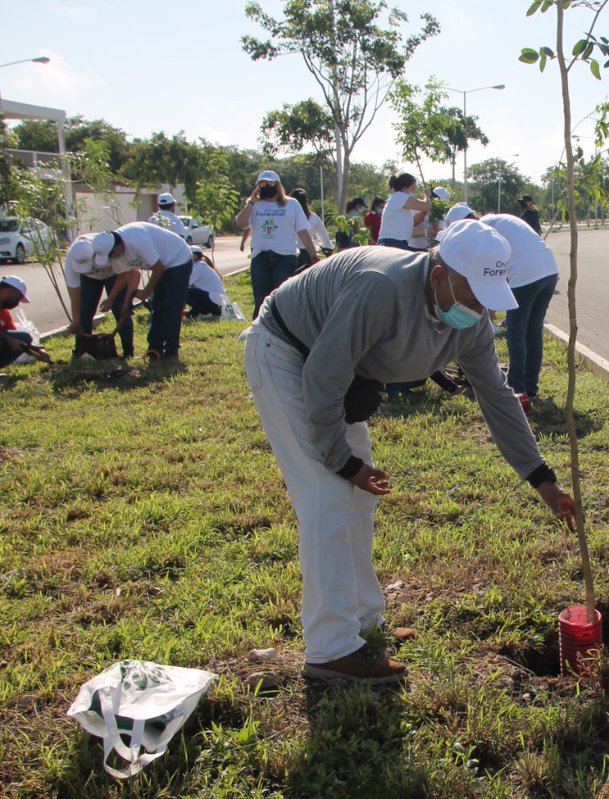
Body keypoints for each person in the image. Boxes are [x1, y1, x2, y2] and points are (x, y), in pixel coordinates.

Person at [241, 219, 576, 682]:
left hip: (332, 368)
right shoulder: (380, 288)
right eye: (474, 295)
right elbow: (323, 374)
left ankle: (364, 624)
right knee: (327, 495)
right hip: (286, 351)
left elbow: (497, 397)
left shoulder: (470, 323)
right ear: (438, 275)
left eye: (488, 298)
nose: (480, 310)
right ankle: (330, 648)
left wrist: (542, 479)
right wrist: (342, 460)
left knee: (358, 498)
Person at [479, 213, 559, 408]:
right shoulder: (506, 220)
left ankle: (516, 387)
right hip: (550, 270)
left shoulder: (481, 228)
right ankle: (531, 386)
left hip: (525, 275)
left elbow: (488, 267)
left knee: (516, 330)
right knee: (533, 330)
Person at [93, 221, 196, 360]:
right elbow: (132, 274)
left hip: (178, 258)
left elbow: (158, 268)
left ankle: (171, 351)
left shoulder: (136, 240)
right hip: (161, 265)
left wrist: (146, 292)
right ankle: (155, 347)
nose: (112, 258)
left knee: (172, 307)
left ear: (117, 247)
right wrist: (126, 303)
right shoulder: (116, 254)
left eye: (112, 254)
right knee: (158, 306)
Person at [234, 170, 320, 318]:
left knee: (282, 298)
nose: (268, 186)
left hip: (285, 257)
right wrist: (251, 203)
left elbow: (303, 231)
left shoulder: (291, 204)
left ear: (278, 186)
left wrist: (313, 255)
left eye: (271, 183)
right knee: (261, 299)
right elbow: (240, 224)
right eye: (263, 184)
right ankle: (260, 332)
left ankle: (282, 332)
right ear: (258, 187)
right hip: (261, 257)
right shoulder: (255, 205)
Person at [63, 233, 137, 359]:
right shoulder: (72, 259)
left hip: (114, 275)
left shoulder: (105, 247)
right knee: (84, 312)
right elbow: (75, 295)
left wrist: (110, 299)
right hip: (89, 279)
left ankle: (128, 351)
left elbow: (123, 277)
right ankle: (82, 352)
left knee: (121, 310)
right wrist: (75, 321)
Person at [0, 276, 51, 368]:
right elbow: (8, 338)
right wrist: (9, 340)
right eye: (18, 298)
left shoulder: (4, 314)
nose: (17, 303)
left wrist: (39, 350)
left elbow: (18, 341)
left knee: (24, 337)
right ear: (10, 290)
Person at [377, 174, 431, 250]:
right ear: (405, 187)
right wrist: (427, 196)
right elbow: (426, 206)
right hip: (393, 242)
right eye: (413, 188)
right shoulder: (401, 197)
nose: (414, 192)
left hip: (394, 241)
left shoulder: (397, 197)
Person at [291, 188, 333, 272]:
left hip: (288, 254)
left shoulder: (287, 217)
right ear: (307, 201)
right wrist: (328, 250)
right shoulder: (313, 217)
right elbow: (325, 239)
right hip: (307, 255)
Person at [186, 246, 227, 319]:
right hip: (215, 303)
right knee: (189, 316)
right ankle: (204, 312)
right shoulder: (200, 265)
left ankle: (205, 313)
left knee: (185, 292)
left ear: (195, 256)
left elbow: (185, 284)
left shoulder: (198, 266)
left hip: (215, 303)